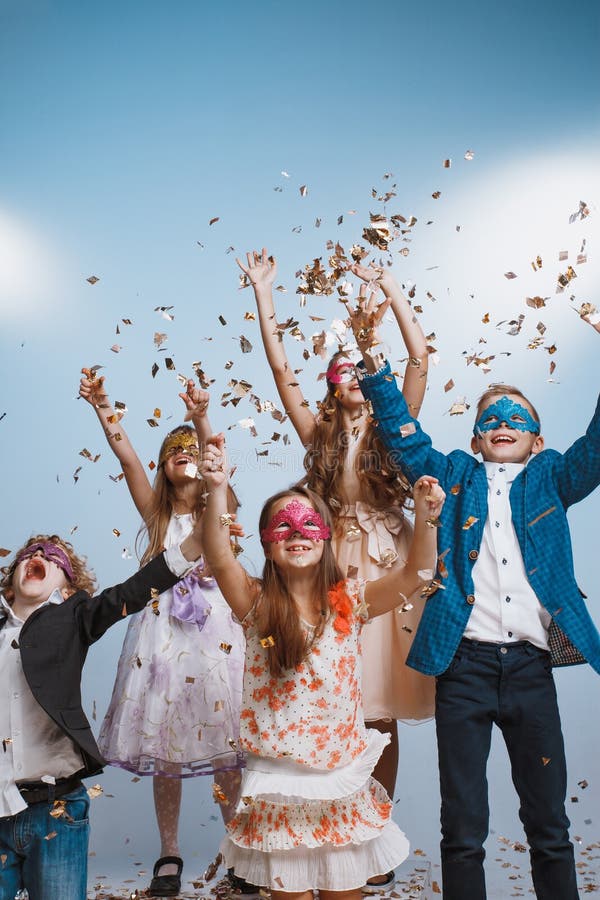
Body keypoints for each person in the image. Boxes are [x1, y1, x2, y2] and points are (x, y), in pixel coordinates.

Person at [352, 294, 600, 899]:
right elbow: (406, 441)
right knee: (462, 823)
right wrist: (373, 362)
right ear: (474, 436)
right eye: (490, 418)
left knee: (549, 821)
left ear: (538, 439)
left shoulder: (552, 477)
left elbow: (596, 444)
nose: (503, 424)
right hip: (463, 664)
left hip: (530, 669)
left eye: (516, 417)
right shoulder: (453, 474)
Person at [237, 249, 435, 887]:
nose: (352, 373)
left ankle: (367, 838)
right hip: (329, 563)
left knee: (379, 709)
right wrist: (265, 294)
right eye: (341, 367)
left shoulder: (394, 424)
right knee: (334, 701)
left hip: (387, 562)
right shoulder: (316, 433)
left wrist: (388, 290)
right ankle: (312, 836)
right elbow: (278, 369)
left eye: (360, 365)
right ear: (329, 381)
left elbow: (420, 359)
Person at [197, 430, 445, 899]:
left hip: (341, 780)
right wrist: (214, 489)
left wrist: (428, 519)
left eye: (308, 523)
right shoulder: (253, 603)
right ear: (267, 544)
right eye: (282, 527)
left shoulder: (350, 601)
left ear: (327, 537)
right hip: (279, 784)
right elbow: (217, 552)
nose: (296, 534)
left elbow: (415, 574)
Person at [78, 370, 246, 898]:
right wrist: (104, 406)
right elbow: (127, 456)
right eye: (172, 448)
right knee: (166, 744)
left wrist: (201, 420)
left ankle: (239, 851)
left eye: (191, 447)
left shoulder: (220, 503)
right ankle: (168, 852)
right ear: (164, 464)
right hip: (161, 640)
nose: (183, 452)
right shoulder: (155, 513)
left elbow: (218, 478)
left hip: (216, 634)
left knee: (225, 748)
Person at [0, 526, 206, 900]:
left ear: (67, 590)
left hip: (56, 809)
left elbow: (131, 592)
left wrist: (195, 544)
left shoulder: (72, 618)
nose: (40, 556)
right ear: (10, 584)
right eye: (32, 552)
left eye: (53, 557)